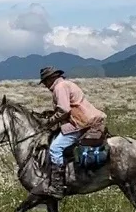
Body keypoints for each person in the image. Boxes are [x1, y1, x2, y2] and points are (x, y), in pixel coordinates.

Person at [36, 66, 106, 197]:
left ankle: (57, 186)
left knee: (55, 148)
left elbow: (64, 110)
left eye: (45, 81)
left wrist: (49, 121)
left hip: (80, 123)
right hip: (87, 120)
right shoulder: (66, 84)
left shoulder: (60, 87)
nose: (45, 85)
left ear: (51, 78)